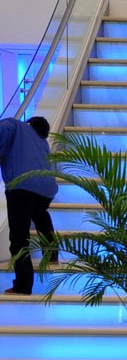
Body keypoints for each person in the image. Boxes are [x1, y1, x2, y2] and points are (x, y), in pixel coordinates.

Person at [0, 116, 58, 295]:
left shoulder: (14, 124)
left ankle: (23, 285)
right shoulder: (42, 141)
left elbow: (2, 133)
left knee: (19, 237)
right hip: (46, 190)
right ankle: (52, 254)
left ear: (29, 122)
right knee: (40, 214)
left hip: (22, 186)